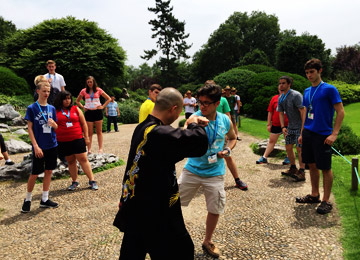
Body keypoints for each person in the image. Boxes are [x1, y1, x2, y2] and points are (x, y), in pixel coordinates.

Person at [113, 88, 209, 260]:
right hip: (155, 212)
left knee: (133, 251)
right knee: (182, 249)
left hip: (136, 206)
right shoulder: (158, 134)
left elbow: (170, 145)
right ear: (173, 109)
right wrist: (193, 122)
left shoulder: (144, 128)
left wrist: (186, 127)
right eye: (179, 112)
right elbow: (198, 142)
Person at [178, 83, 237, 258]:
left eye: (206, 103)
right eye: (200, 102)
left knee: (215, 208)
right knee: (172, 202)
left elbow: (232, 138)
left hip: (215, 172)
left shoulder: (225, 120)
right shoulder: (194, 118)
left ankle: (207, 241)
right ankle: (168, 236)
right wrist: (192, 124)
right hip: (192, 170)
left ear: (217, 103)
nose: (202, 106)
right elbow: (182, 135)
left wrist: (228, 150)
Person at [296, 58, 345, 214]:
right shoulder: (307, 91)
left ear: (320, 71)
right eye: (307, 73)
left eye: (312, 72)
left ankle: (326, 201)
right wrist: (303, 132)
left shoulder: (329, 89)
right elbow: (305, 113)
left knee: (325, 167)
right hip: (309, 132)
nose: (309, 75)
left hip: (323, 134)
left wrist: (334, 133)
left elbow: (341, 112)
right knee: (311, 165)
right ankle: (314, 195)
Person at [21, 81, 59, 213]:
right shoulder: (32, 108)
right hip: (39, 146)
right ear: (38, 91)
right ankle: (28, 199)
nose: (47, 94)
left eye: (48, 91)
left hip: (52, 145)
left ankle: (45, 198)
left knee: (49, 171)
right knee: (35, 173)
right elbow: (29, 129)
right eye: (44, 91)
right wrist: (35, 146)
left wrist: (54, 124)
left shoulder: (51, 108)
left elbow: (56, 127)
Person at [205, 80, 248, 190]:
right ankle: (208, 179)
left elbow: (227, 115)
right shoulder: (203, 101)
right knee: (208, 156)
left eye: (211, 86)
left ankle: (237, 180)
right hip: (206, 134)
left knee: (226, 156)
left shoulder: (223, 100)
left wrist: (226, 132)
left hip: (219, 134)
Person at [54, 91, 98, 191]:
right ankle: (75, 181)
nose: (67, 100)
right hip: (63, 141)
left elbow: (84, 124)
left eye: (69, 98)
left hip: (77, 139)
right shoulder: (55, 111)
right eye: (65, 99)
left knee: (83, 159)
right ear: (60, 100)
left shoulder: (75, 109)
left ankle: (92, 180)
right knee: (70, 161)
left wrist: (86, 137)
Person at [278, 76, 306, 181]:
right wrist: (283, 127)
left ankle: (302, 171)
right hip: (290, 127)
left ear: (289, 84)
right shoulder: (281, 98)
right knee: (288, 147)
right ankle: (293, 168)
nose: (281, 85)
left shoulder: (296, 95)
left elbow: (303, 111)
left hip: (299, 126)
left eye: (283, 83)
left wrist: (303, 129)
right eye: (280, 83)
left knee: (299, 148)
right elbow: (280, 113)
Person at [76, 76, 111, 154]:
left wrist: (102, 106)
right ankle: (89, 149)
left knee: (99, 132)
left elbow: (108, 98)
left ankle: (100, 149)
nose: (89, 83)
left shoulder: (98, 90)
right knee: (89, 132)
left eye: (91, 82)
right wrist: (83, 107)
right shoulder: (84, 91)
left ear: (94, 82)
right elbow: (77, 101)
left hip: (97, 112)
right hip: (88, 112)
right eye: (88, 82)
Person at [256, 86, 290, 165]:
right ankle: (264, 157)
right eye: (280, 89)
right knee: (271, 141)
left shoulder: (291, 98)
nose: (281, 90)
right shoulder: (274, 98)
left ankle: (289, 158)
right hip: (276, 124)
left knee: (288, 142)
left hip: (287, 124)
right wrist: (268, 124)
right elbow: (270, 111)